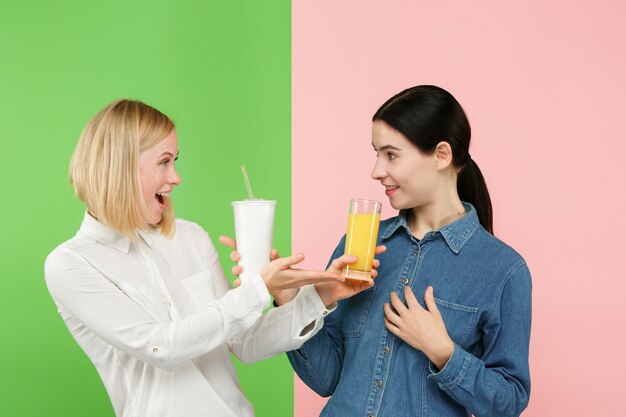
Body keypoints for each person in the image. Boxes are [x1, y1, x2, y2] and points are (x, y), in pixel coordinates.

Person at [44, 99, 372, 417]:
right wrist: (258, 289)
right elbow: (161, 347)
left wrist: (319, 296)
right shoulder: (71, 264)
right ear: (123, 165)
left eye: (175, 161)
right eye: (164, 161)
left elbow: (244, 340)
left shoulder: (190, 237)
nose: (176, 177)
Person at [284, 85, 532, 417]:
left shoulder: (504, 271)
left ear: (441, 155)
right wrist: (291, 304)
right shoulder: (360, 245)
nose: (376, 171)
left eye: (391, 154)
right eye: (376, 153)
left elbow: (509, 401)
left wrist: (444, 352)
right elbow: (327, 379)